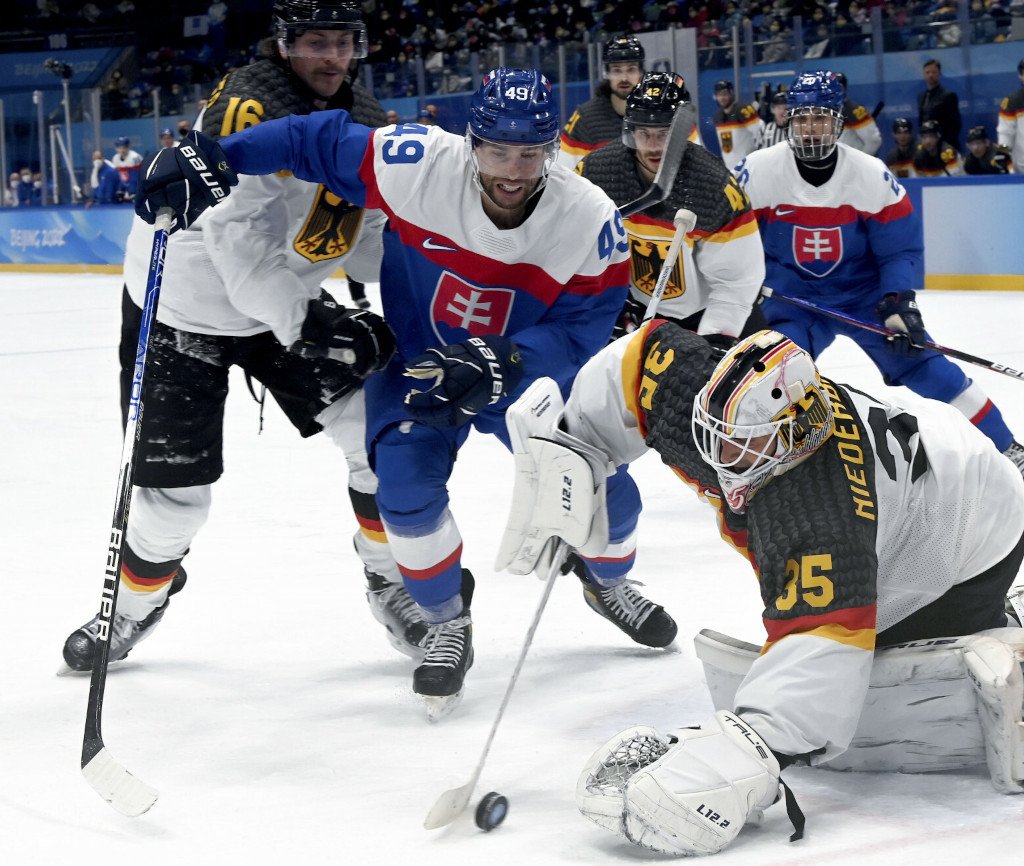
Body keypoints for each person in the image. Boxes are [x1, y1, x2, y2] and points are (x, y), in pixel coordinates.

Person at [198, 66, 678, 719]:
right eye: (499, 150)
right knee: (401, 484)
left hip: (521, 374)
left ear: (550, 150)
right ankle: (447, 620)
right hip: (419, 362)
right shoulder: (417, 162)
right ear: (471, 141)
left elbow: (583, 330)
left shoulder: (588, 219)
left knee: (602, 482)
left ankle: (608, 579)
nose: (514, 169)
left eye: (531, 153)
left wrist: (506, 356)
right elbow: (312, 139)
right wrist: (212, 155)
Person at [554, 322, 1024, 856]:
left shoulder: (820, 514)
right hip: (932, 448)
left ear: (794, 438)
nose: (721, 458)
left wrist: (739, 758)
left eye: (742, 448)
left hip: (972, 530)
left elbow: (819, 655)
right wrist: (572, 452)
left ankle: (999, 622)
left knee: (885, 653)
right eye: (717, 437)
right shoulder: (714, 401)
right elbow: (639, 358)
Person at [60, 0, 413, 673]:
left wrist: (414, 255)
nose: (332, 57)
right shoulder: (249, 111)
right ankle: (133, 604)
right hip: (184, 306)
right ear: (283, 46)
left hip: (280, 298)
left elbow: (360, 236)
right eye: (316, 42)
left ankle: (393, 580)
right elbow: (237, 244)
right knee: (172, 503)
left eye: (343, 43)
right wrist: (311, 322)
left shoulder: (363, 117)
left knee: (379, 437)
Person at [734, 71, 1024, 487]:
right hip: (794, 297)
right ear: (790, 121)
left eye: (820, 118)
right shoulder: (758, 171)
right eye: (803, 118)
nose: (810, 128)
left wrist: (897, 302)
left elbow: (899, 250)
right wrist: (742, 295)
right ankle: (757, 464)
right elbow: (731, 238)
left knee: (928, 368)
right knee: (772, 376)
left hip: (864, 296)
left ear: (838, 121)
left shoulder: (870, 174)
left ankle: (1008, 448)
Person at [576, 72, 765, 343]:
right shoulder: (597, 172)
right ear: (630, 130)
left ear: (681, 132)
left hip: (703, 314)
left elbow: (734, 282)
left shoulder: (714, 185)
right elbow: (578, 249)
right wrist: (610, 301)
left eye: (663, 134)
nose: (653, 146)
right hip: (637, 313)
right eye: (644, 133)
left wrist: (715, 337)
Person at [557, 34, 644, 171]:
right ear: (606, 73)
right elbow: (562, 172)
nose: (624, 78)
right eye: (616, 70)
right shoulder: (585, 118)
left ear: (641, 72)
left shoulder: (661, 113)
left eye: (631, 69)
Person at [713, 79, 762, 170]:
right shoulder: (717, 116)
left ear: (731, 93)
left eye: (725, 94)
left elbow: (761, 131)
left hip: (749, 167)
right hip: (731, 170)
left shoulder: (744, 109)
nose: (722, 98)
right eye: (719, 95)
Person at [917, 59, 961, 151]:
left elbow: (955, 125)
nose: (930, 75)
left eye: (934, 72)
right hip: (927, 146)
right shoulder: (921, 97)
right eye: (927, 72)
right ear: (924, 75)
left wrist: (944, 144)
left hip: (945, 146)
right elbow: (921, 122)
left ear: (939, 74)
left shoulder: (948, 96)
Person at [834, 72, 881, 156]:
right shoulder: (825, 110)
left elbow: (874, 140)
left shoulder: (854, 110)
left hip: (852, 163)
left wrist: (860, 162)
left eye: (839, 87)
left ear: (845, 88)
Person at [110, 135, 144, 200]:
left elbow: (137, 176)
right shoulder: (115, 158)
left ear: (128, 147)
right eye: (119, 148)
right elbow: (118, 175)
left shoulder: (134, 157)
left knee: (133, 188)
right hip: (125, 179)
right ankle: (121, 190)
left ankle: (133, 192)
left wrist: (132, 190)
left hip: (136, 180)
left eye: (124, 147)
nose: (122, 150)